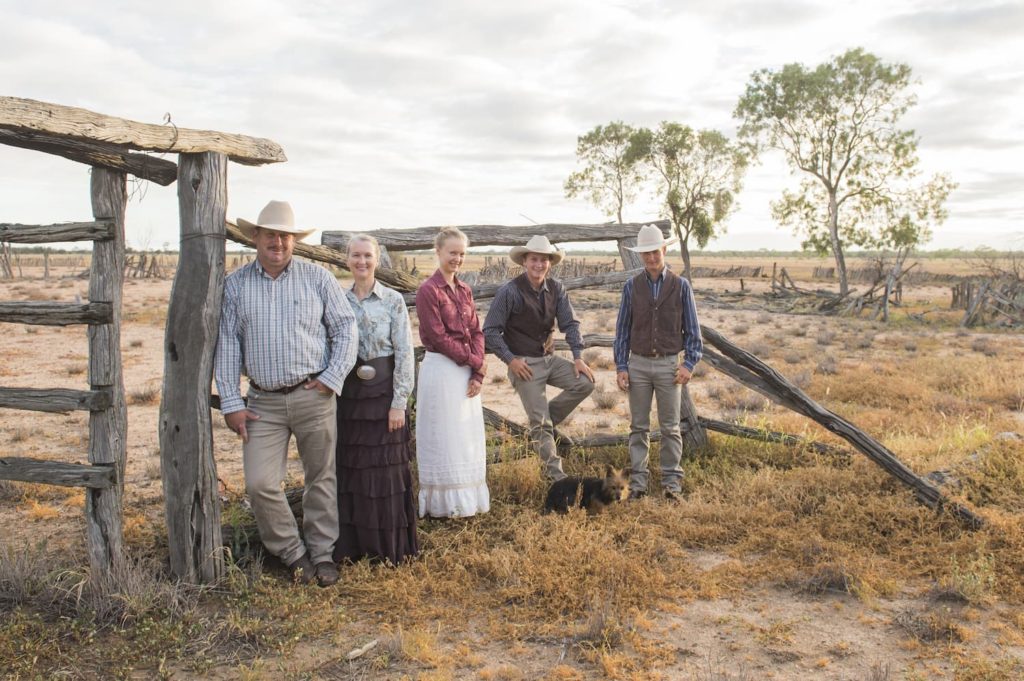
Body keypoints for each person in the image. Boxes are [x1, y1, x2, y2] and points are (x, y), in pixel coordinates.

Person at [215, 200, 358, 587]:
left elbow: (345, 327)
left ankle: (323, 554)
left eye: (285, 235)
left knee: (321, 477)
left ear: (294, 240)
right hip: (262, 403)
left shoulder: (317, 278)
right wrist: (231, 401)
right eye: (270, 235)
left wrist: (332, 376)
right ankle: (293, 553)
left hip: (314, 395)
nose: (278, 241)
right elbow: (227, 344)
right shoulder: (236, 286)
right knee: (260, 483)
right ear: (256, 238)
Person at [333, 234, 419, 565]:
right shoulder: (338, 300)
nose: (362, 261)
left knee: (386, 471)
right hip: (350, 399)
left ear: (377, 259)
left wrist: (399, 401)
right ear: (346, 259)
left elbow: (405, 354)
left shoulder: (393, 300)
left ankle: (389, 548)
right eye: (355, 255)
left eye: (367, 255)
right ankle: (355, 547)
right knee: (354, 469)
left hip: (384, 394)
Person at [483, 235, 595, 481]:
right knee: (542, 424)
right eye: (534, 259)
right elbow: (490, 330)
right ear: (525, 261)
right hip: (524, 364)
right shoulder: (509, 292)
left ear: (550, 263)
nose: (539, 264)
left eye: (544, 260)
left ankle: (539, 426)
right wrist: (511, 360)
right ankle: (557, 478)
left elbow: (571, 323)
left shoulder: (557, 288)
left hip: (549, 360)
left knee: (585, 383)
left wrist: (577, 357)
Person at [613, 224, 703, 501]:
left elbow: (693, 331)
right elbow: (622, 330)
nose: (651, 258)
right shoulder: (632, 286)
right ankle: (638, 484)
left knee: (670, 427)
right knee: (638, 427)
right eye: (646, 254)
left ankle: (671, 484)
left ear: (664, 250)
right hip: (638, 364)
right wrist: (621, 366)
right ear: (640, 256)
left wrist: (688, 364)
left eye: (655, 252)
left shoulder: (681, 286)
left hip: (668, 365)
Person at [414, 227, 490, 518]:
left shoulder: (465, 290)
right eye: (452, 252)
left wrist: (478, 372)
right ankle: (442, 506)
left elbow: (476, 331)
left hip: (466, 370)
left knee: (464, 434)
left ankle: (468, 503)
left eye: (462, 253)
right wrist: (474, 361)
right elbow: (437, 337)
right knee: (444, 435)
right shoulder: (428, 291)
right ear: (438, 252)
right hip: (442, 371)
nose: (457, 258)